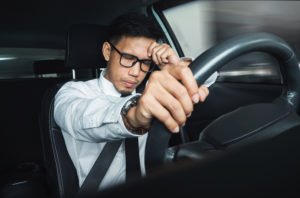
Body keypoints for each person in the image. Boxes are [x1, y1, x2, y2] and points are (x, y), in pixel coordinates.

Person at [54, 12, 209, 190]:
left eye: (145, 62)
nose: (136, 72)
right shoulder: (72, 93)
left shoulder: (154, 88)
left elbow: (211, 77)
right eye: (128, 58)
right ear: (107, 51)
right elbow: (81, 116)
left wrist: (176, 65)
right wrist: (134, 114)